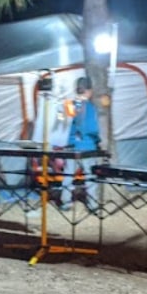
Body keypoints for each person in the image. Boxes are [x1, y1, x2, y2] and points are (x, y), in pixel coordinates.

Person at [60, 76, 101, 210]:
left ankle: (66, 202)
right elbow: (92, 128)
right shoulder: (90, 107)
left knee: (68, 175)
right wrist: (97, 140)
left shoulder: (69, 105)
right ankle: (93, 204)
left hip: (71, 146)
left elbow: (62, 123)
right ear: (89, 91)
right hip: (87, 146)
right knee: (90, 176)